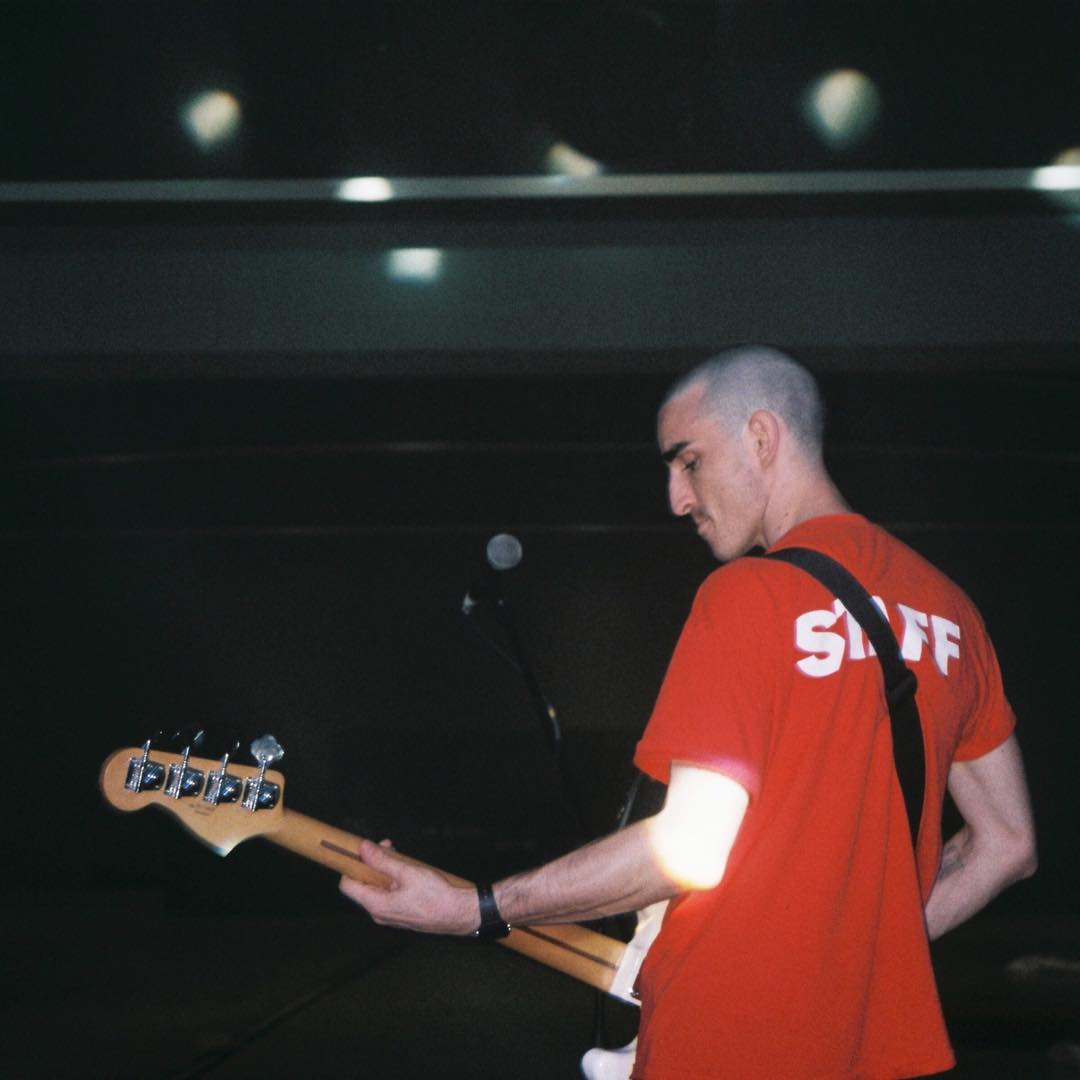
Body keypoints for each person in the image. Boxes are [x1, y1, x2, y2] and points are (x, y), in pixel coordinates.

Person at [339, 346, 1037, 1079]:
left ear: (761, 437)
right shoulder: (949, 612)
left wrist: (475, 907)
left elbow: (691, 848)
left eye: (690, 461)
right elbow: (1009, 844)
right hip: (875, 1055)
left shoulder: (749, 596)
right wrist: (867, 957)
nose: (676, 498)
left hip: (720, 1045)